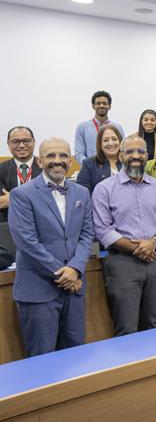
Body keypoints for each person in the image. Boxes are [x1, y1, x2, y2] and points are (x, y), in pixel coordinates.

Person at [8, 138, 93, 356]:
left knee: (75, 355)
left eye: (63, 155)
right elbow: (26, 241)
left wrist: (75, 268)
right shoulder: (21, 194)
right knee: (43, 358)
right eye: (51, 156)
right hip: (39, 290)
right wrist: (65, 275)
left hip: (74, 291)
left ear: (70, 161)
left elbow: (86, 235)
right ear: (40, 161)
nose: (57, 160)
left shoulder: (82, 193)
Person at [91, 134, 156, 336]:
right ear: (120, 156)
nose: (135, 156)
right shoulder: (104, 189)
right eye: (129, 151)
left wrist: (154, 242)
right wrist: (139, 248)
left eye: (140, 151)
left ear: (147, 155)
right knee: (127, 327)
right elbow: (103, 230)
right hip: (122, 263)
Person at [0, 126, 41, 222]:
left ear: (33, 142)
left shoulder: (46, 167)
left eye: (26, 140)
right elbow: (2, 202)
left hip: (41, 221)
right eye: (15, 141)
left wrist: (14, 200)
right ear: (8, 144)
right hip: (9, 222)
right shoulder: (1, 169)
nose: (21, 145)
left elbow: (51, 198)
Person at [74, 90, 124, 165]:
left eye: (104, 103)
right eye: (98, 103)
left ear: (109, 106)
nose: (101, 105)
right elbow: (79, 154)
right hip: (91, 169)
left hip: (113, 168)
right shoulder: (82, 128)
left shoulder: (118, 128)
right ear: (93, 106)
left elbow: (122, 150)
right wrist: (90, 166)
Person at [76, 124, 123, 194]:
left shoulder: (128, 162)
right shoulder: (89, 164)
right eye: (106, 140)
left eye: (114, 139)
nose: (111, 143)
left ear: (120, 141)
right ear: (100, 144)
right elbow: (82, 193)